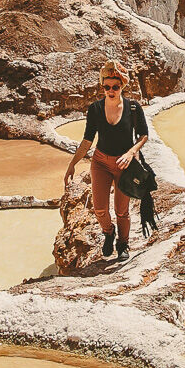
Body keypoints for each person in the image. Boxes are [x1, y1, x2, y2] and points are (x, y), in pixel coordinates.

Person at [63, 60, 150, 262]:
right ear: (102, 87)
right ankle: (109, 232)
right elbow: (87, 140)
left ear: (122, 87)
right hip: (100, 162)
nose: (111, 91)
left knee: (121, 210)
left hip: (124, 165)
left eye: (115, 87)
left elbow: (143, 135)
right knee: (100, 208)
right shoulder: (95, 109)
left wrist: (131, 153)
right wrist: (72, 164)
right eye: (107, 87)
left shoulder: (133, 108)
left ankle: (123, 244)